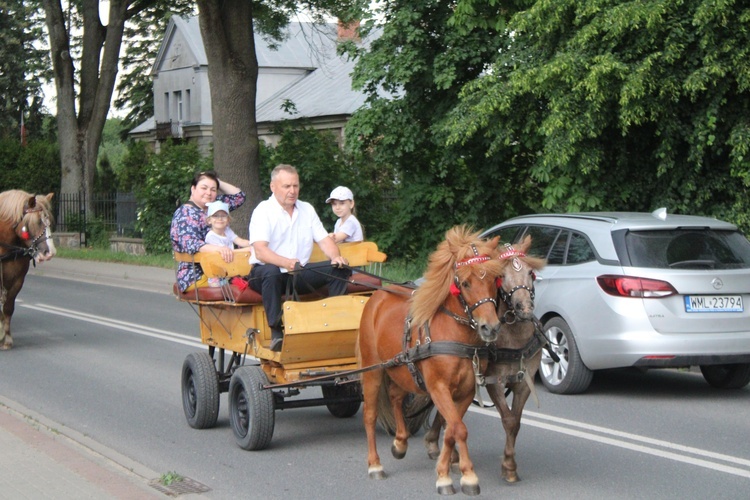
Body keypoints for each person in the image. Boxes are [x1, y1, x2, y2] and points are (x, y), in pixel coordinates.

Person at [248, 164, 351, 351]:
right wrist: (286, 262)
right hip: (264, 274)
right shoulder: (263, 211)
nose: (292, 191)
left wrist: (336, 257)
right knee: (271, 272)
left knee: (339, 269)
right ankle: (276, 331)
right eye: (287, 186)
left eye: (295, 186)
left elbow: (324, 240)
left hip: (297, 272)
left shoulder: (307, 209)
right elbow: (261, 251)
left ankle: (336, 323)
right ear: (273, 187)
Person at [171, 171, 246, 292]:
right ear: (193, 189)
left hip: (222, 268)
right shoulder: (185, 213)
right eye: (204, 188)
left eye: (213, 189)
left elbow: (239, 197)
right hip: (196, 275)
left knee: (258, 276)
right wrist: (220, 249)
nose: (208, 193)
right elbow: (192, 244)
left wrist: (217, 181)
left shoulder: (214, 207)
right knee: (247, 284)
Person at [204, 200, 252, 287]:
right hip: (218, 274)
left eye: (223, 216)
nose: (220, 219)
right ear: (209, 220)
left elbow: (240, 241)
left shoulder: (227, 231)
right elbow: (227, 252)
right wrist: (248, 250)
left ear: (228, 219)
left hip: (230, 267)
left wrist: (254, 243)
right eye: (215, 216)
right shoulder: (211, 236)